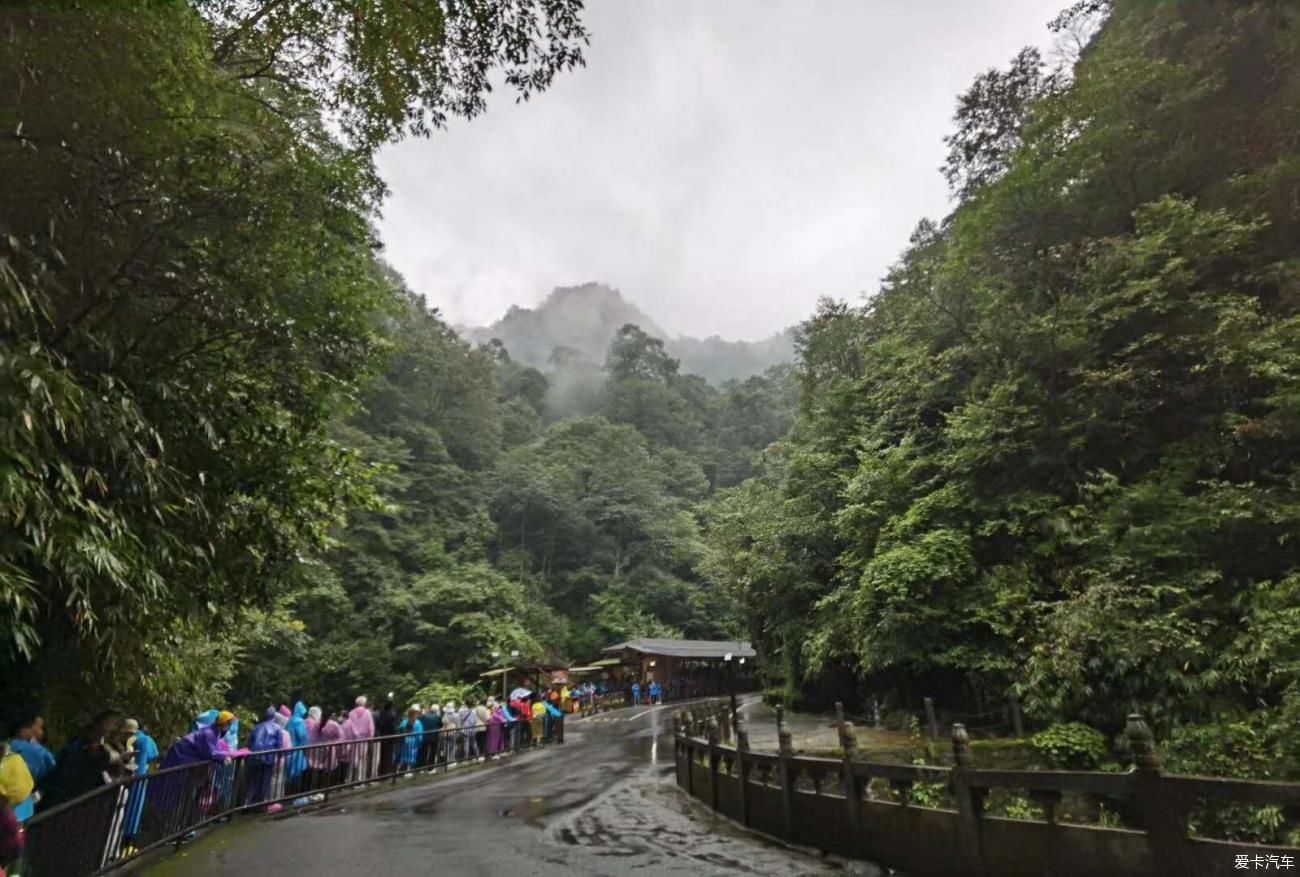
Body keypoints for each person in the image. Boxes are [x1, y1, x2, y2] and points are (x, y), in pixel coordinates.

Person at [39, 710, 121, 811]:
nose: (112, 726)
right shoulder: (81, 746)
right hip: (67, 797)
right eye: (111, 722)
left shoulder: (99, 749)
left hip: (75, 800)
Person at [119, 719, 158, 853]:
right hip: (144, 777)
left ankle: (127, 842)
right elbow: (154, 755)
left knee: (131, 809)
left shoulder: (137, 741)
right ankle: (129, 841)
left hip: (137, 778)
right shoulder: (147, 739)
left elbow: (140, 762)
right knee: (136, 809)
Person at [7, 713, 54, 823]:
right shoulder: (39, 752)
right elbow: (54, 772)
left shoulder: (8, 745)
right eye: (38, 727)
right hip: (22, 805)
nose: (40, 731)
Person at [246, 707, 283, 808]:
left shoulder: (257, 727)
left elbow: (250, 743)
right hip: (268, 758)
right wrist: (280, 758)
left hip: (254, 757)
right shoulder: (277, 728)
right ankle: (261, 804)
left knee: (253, 782)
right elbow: (279, 745)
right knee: (265, 781)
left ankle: (248, 804)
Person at [346, 697, 375, 783]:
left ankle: (349, 778)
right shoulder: (368, 713)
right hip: (364, 739)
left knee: (352, 759)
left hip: (353, 739)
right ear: (364, 703)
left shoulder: (351, 713)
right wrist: (370, 737)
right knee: (362, 759)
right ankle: (359, 779)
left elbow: (348, 726)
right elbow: (371, 727)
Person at [285, 702, 310, 794]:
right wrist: (307, 745)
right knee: (298, 773)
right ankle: (295, 794)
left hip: (290, 749)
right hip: (298, 751)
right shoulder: (300, 721)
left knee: (290, 773)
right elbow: (302, 736)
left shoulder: (291, 720)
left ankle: (288, 793)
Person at [396, 706, 423, 773]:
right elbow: (419, 734)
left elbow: (400, 729)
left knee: (404, 756)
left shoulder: (404, 722)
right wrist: (419, 742)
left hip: (405, 741)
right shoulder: (417, 723)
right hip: (413, 742)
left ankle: (402, 770)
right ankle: (409, 770)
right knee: (412, 756)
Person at [375, 700, 398, 774]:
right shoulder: (393, 715)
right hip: (390, 737)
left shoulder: (380, 714)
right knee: (388, 755)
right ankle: (387, 772)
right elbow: (393, 728)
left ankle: (380, 771)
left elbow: (377, 724)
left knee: (382, 755)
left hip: (382, 736)